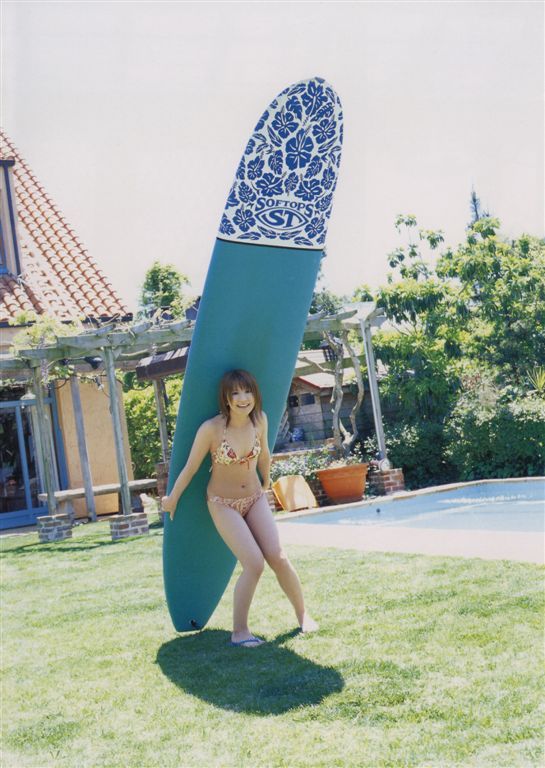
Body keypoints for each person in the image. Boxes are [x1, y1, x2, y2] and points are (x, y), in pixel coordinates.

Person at [161, 369, 318, 648]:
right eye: (235, 393)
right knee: (254, 564)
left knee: (278, 557)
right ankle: (240, 632)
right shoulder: (211, 429)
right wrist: (172, 498)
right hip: (223, 504)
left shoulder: (260, 420)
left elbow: (265, 455)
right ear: (226, 398)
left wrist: (266, 480)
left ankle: (303, 615)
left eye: (247, 391)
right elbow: (191, 467)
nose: (243, 398)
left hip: (254, 498)